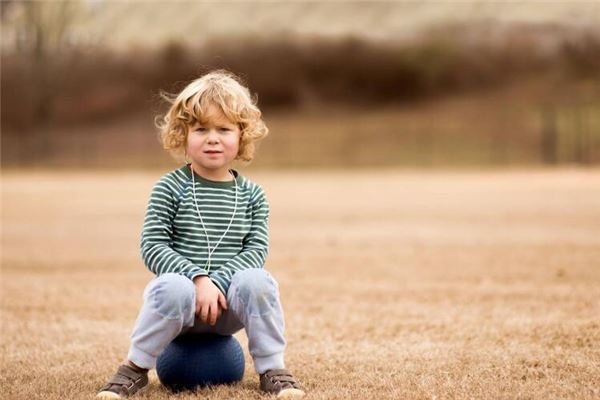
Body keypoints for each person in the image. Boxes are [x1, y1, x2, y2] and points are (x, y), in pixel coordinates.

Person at [97, 70, 305, 399]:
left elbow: (255, 251)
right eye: (201, 129)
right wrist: (197, 280)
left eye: (223, 129)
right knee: (171, 285)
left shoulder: (252, 195)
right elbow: (153, 246)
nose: (212, 138)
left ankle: (273, 369)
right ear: (183, 135)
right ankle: (133, 370)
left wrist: (217, 284)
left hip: (227, 308)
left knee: (258, 280)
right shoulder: (169, 188)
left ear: (242, 136)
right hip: (182, 303)